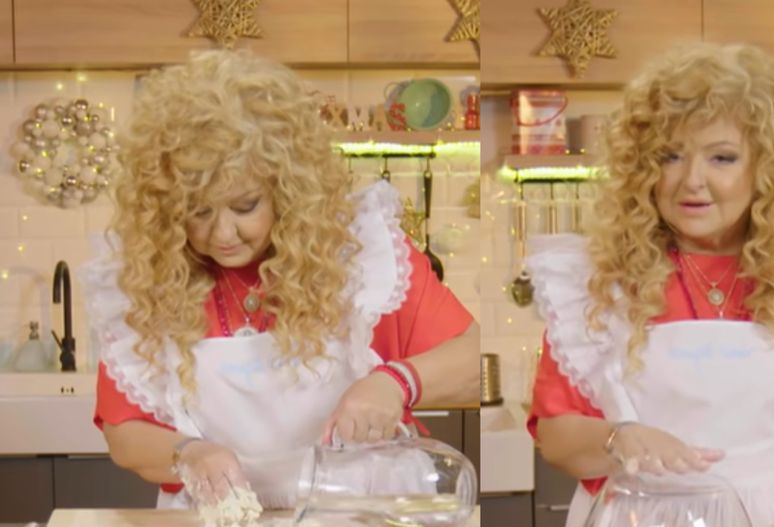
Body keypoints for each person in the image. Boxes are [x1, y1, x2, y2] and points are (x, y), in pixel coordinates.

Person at [79, 49, 479, 510]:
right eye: (198, 212)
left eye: (245, 206)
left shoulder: (359, 256)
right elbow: (124, 432)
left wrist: (396, 382)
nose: (223, 234)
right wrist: (188, 453)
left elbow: (470, 360)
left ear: (287, 188)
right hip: (229, 515)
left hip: (367, 510)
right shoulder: (149, 279)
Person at [525, 43, 774, 527]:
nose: (692, 180)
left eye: (722, 158)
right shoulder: (599, 283)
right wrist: (618, 439)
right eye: (670, 156)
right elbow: (556, 437)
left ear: (766, 168)